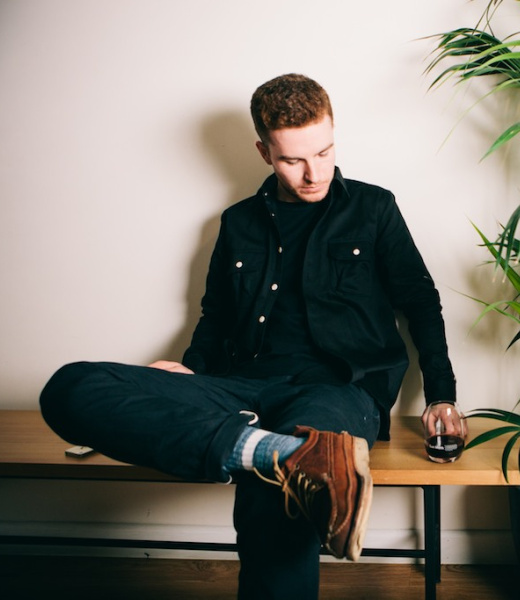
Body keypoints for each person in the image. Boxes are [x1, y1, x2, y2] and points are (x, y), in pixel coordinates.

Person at [39, 73, 461, 599]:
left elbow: (420, 301)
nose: (314, 173)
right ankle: (267, 451)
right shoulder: (237, 222)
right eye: (293, 160)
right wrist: (191, 370)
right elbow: (215, 315)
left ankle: (275, 456)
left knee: (282, 485)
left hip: (337, 391)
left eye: (324, 152)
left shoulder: (373, 208)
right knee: (70, 387)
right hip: (239, 387)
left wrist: (441, 393)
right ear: (264, 152)